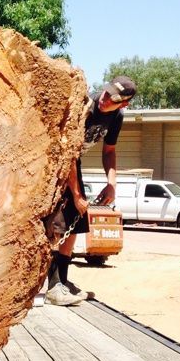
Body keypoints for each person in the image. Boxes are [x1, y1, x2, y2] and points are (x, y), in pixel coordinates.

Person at [44, 76, 136, 306]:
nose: (105, 99)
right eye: (105, 93)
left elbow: (109, 151)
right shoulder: (85, 106)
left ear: (123, 104)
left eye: (112, 99)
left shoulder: (117, 117)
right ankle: (53, 286)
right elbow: (68, 151)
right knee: (60, 223)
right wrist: (76, 194)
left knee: (76, 222)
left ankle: (62, 281)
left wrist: (112, 184)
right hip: (56, 161)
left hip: (75, 165)